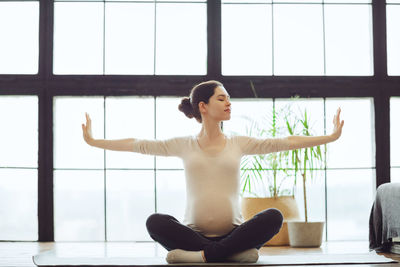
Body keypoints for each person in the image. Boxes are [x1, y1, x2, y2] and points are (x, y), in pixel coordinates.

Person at [82, 80, 344, 263]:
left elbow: (285, 142)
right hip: (191, 235)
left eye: (229, 98)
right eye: (222, 98)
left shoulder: (239, 143)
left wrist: (330, 137)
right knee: (155, 222)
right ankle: (231, 255)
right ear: (203, 107)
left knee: (274, 216)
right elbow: (137, 144)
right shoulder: (183, 144)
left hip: (234, 232)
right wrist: (94, 142)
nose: (229, 102)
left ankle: (202, 257)